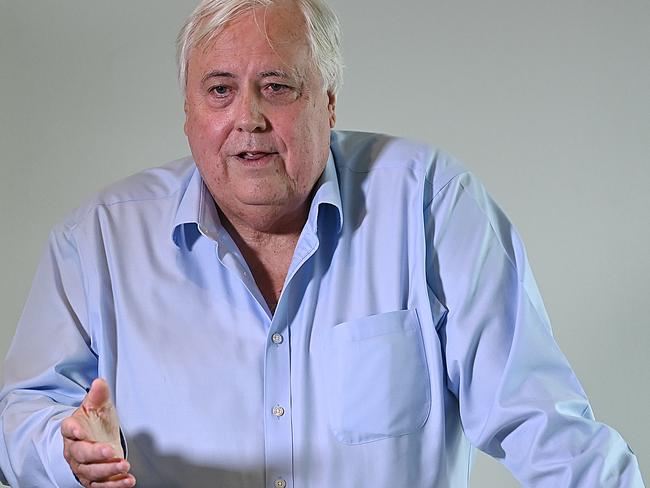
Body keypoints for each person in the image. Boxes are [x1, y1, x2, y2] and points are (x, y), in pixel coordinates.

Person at [0, 0, 644, 486]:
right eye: (219, 89)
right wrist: (66, 451)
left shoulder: (430, 205)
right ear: (188, 113)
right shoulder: (97, 243)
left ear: (329, 104)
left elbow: (543, 422)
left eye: (277, 86)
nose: (247, 117)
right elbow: (18, 419)